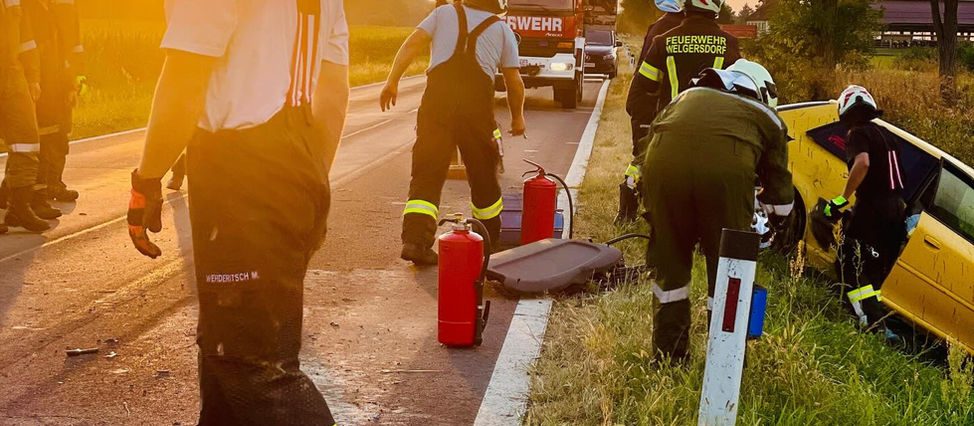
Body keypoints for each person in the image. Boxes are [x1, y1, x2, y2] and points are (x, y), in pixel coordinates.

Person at [126, 1, 350, 423]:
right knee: (224, 351)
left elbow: (186, 78)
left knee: (253, 367)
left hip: (239, 170)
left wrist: (147, 180)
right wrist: (313, 188)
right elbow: (333, 92)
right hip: (299, 155)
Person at [640, 59, 793, 364]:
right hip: (725, 181)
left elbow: (649, 142)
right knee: (728, 270)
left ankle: (668, 356)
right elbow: (780, 198)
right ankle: (724, 360)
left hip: (660, 172)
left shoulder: (682, 98)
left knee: (671, 267)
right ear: (760, 91)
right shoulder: (767, 118)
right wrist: (773, 224)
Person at [381, 0, 526, 265]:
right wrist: (517, 118)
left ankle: (415, 241)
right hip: (476, 112)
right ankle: (487, 243)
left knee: (427, 172)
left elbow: (412, 44)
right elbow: (514, 82)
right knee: (483, 175)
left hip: (437, 105)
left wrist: (392, 81)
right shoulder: (502, 30)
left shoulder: (443, 13)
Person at [617, 0, 740, 224]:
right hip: (712, 131)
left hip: (670, 126)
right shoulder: (730, 45)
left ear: (687, 5)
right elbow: (740, 90)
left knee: (649, 166)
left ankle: (633, 209)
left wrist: (644, 128)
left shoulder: (663, 41)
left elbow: (644, 87)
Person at [826, 85, 906, 332]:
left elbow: (863, 163)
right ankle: (880, 324)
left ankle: (865, 321)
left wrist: (842, 199)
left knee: (849, 260)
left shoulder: (858, 134)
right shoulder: (887, 136)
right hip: (897, 211)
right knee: (875, 270)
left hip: (873, 208)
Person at [24, 0, 84, 207]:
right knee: (42, 136)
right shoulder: (30, 7)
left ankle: (53, 184)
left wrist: (71, 83)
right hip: (41, 81)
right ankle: (26, 191)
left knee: (59, 134)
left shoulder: (62, 7)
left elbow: (72, 48)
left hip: (59, 80)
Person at [1, 0, 50, 234]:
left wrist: (33, 76)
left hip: (13, 75)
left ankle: (19, 207)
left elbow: (26, 39)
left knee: (27, 140)